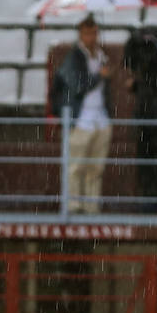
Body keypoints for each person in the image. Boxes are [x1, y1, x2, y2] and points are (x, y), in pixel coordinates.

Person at [51, 15, 112, 215]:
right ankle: (74, 205)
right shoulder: (73, 58)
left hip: (99, 118)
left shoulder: (101, 56)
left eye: (94, 32)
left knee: (95, 168)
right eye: (87, 33)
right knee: (75, 166)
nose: (91, 37)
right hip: (81, 118)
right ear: (80, 34)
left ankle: (91, 205)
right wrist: (99, 76)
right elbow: (78, 86)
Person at [122, 27, 157, 211]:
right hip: (145, 119)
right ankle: (149, 201)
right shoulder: (140, 58)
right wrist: (133, 42)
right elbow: (128, 62)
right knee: (146, 163)